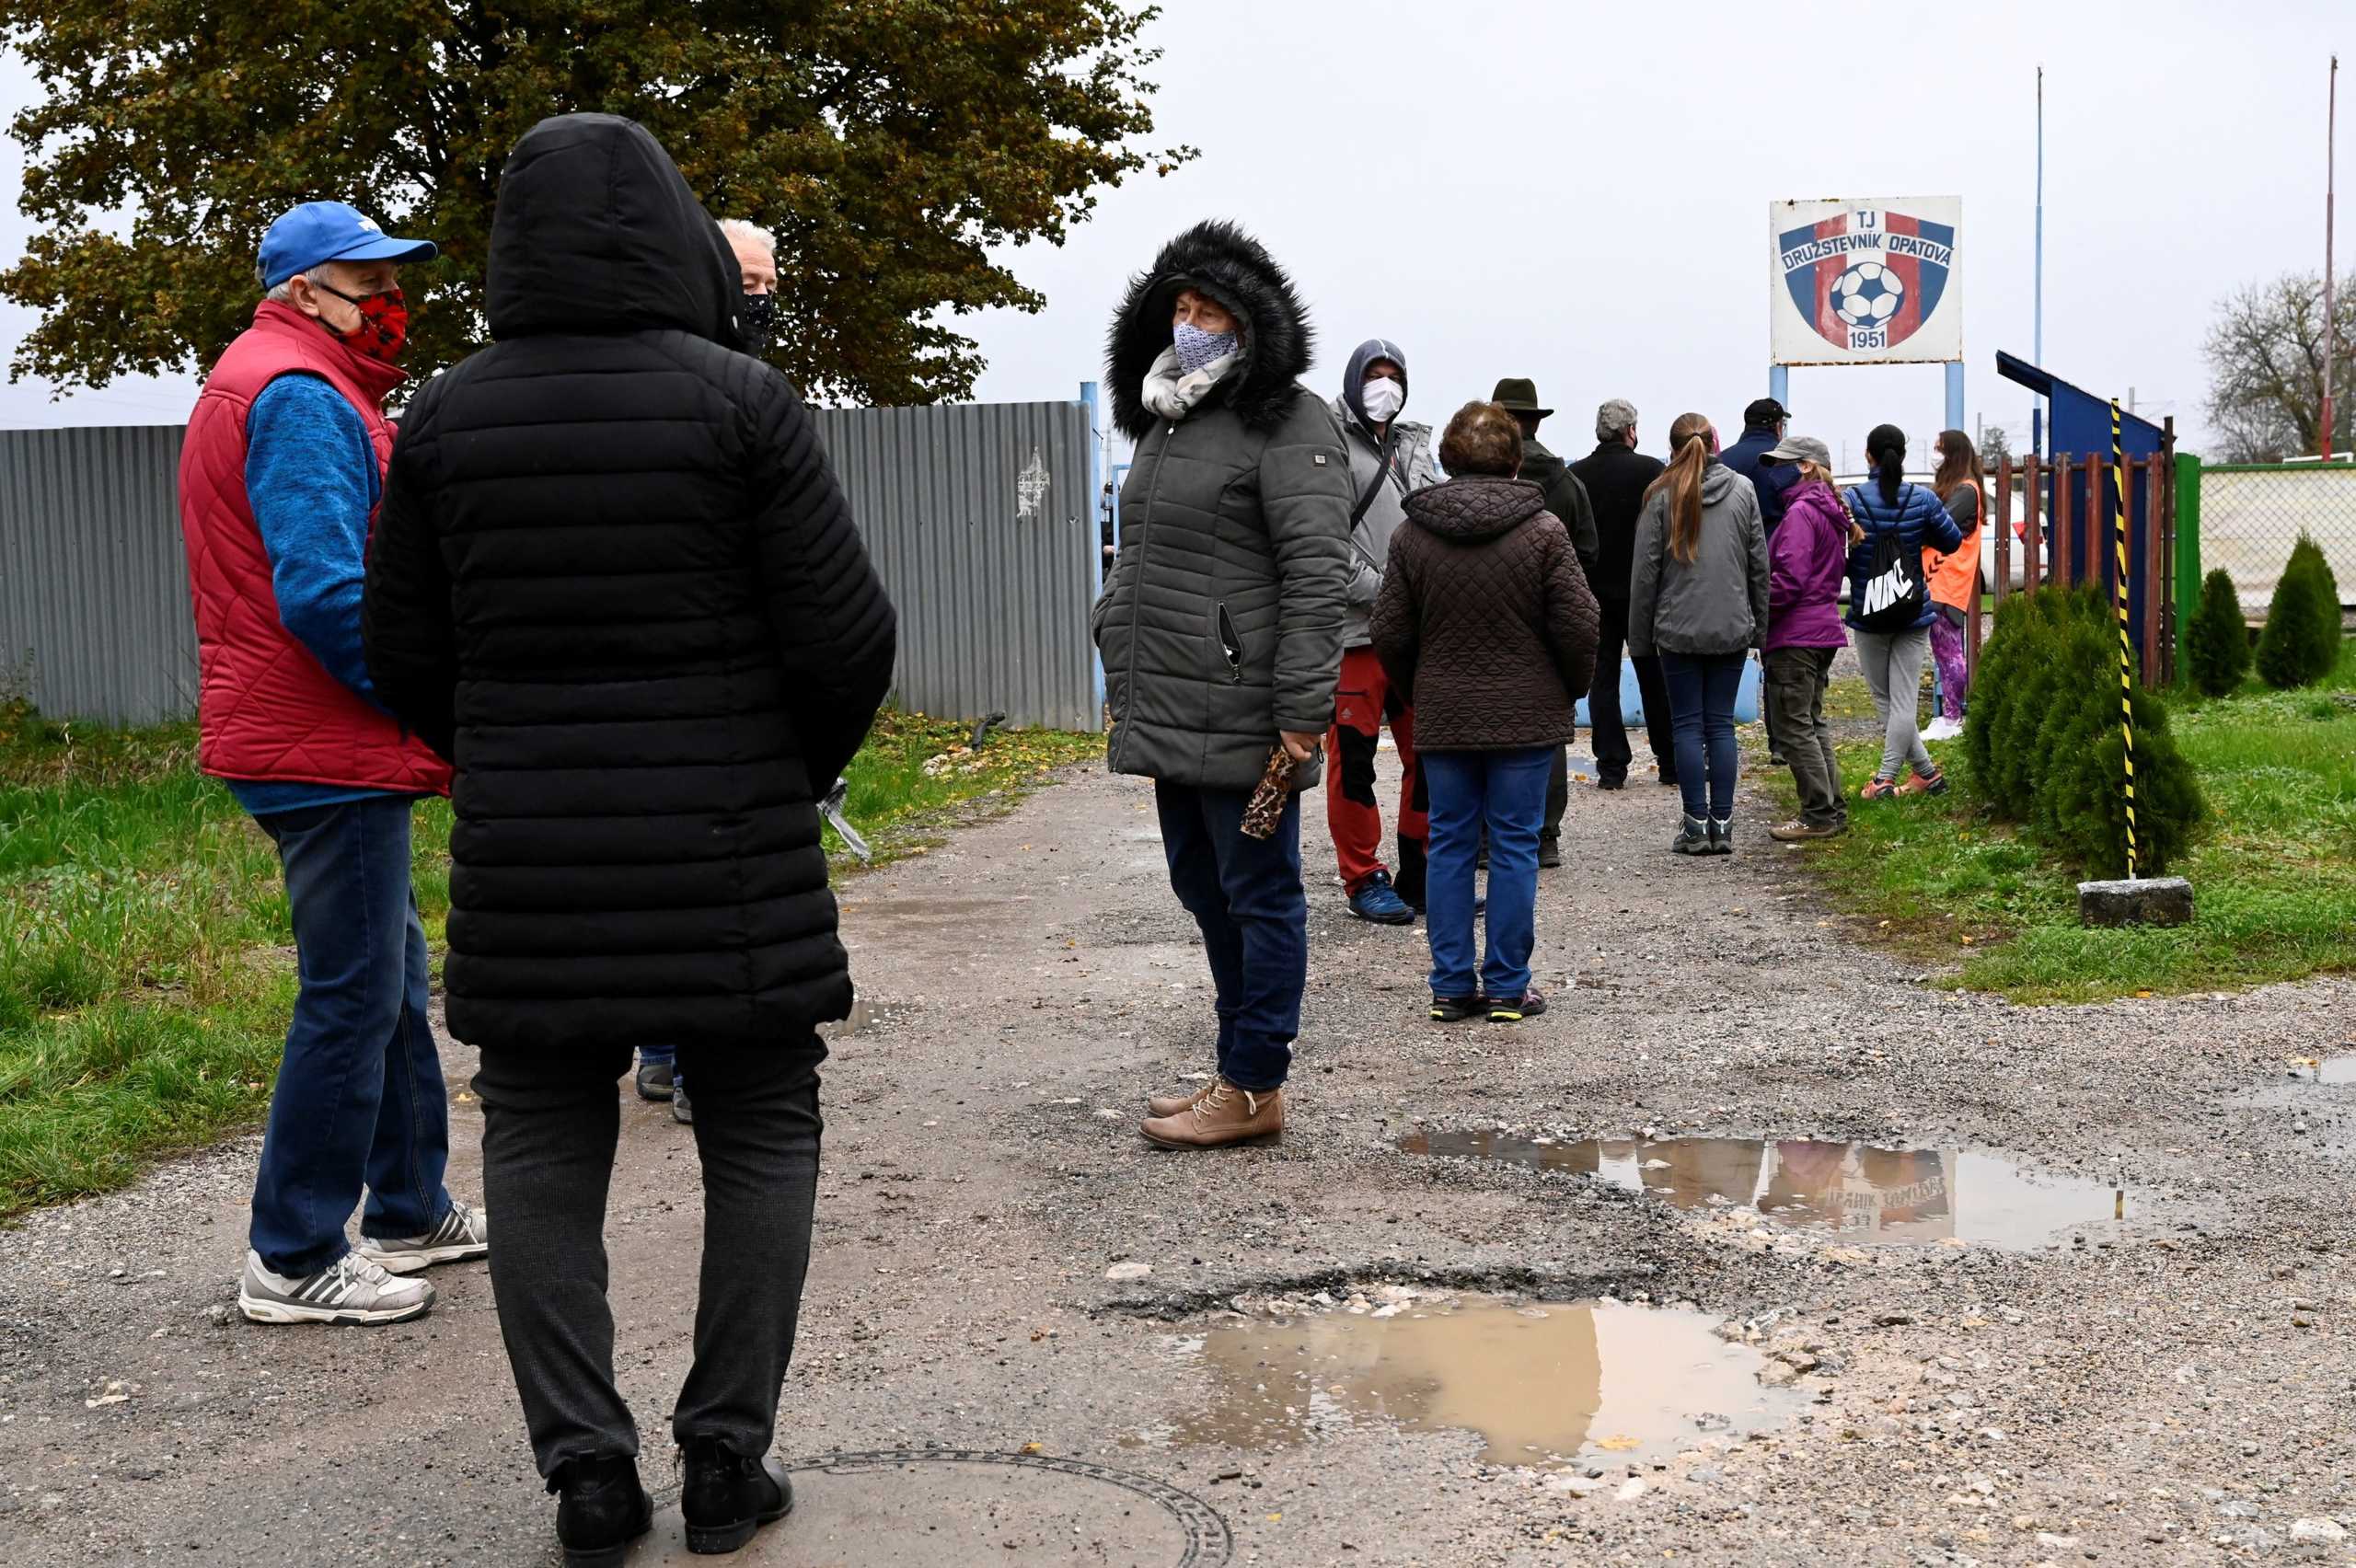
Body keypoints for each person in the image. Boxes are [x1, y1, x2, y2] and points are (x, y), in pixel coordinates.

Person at [364, 114, 896, 1563]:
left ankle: (589, 1478)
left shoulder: (447, 419)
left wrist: (497, 760)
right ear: (670, 229)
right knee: (762, 1120)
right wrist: (795, 770)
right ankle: (728, 1459)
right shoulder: (738, 402)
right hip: (732, 846)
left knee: (539, 1132)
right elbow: (849, 635)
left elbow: (398, 646)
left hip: (534, 850)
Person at [175, 201, 484, 1329]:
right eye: (371, 284)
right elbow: (325, 590)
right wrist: (433, 708)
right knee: (352, 995)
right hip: (322, 741)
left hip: (320, 735)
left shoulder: (298, 378)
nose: (392, 304)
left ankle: (408, 1204)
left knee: (392, 982)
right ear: (307, 290)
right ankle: (294, 1253)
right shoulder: (299, 395)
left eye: (397, 280)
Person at [1092, 219, 1351, 1151]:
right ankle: (1234, 1068)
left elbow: (1317, 576)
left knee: (1259, 895)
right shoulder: (1171, 417)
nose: (1191, 320)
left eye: (1210, 308)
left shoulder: (1287, 422)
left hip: (1245, 709)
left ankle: (1254, 1084)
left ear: (1254, 323)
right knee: (1201, 887)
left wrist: (1298, 714)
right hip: (1171, 698)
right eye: (1182, 305)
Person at [1371, 401, 1598, 1024]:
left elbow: (1388, 629)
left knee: (1448, 844)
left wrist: (1420, 687)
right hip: (1526, 715)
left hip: (1444, 713)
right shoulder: (1545, 531)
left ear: (1448, 456)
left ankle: (1449, 985)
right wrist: (1568, 689)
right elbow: (1580, 625)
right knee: (1515, 848)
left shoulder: (1411, 535)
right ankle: (1506, 985)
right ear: (1514, 458)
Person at [636, 215, 783, 1125]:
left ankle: (663, 1049)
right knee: (693, 879)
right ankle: (685, 1060)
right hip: (683, 677)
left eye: (770, 284)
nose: (759, 298)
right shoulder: (679, 381)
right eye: (745, 281)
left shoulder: (757, 384)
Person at [1326, 338, 1437, 924]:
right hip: (1354, 636)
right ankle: (1363, 876)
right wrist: (1391, 592)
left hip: (1414, 637)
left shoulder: (1417, 445)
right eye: (1376, 374)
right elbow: (1324, 544)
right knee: (1355, 759)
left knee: (1430, 755)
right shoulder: (1326, 446)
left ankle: (1421, 873)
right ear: (1353, 380)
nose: (1385, 385)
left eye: (1395, 374)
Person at [1628, 412, 1769, 855]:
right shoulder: (1743, 490)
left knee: (1686, 726)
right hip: (1730, 626)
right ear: (1714, 442)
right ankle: (1723, 824)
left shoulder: (1660, 496)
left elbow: (1645, 574)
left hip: (1677, 629)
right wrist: (1758, 628)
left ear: (1673, 448)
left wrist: (1639, 639)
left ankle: (1694, 824)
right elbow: (1758, 567)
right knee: (1721, 726)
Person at [1487, 378, 1596, 867]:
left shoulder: (1474, 485)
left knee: (1484, 727)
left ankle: (1488, 839)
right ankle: (1544, 835)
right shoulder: (1567, 485)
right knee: (1546, 733)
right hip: (1546, 627)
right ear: (1535, 421)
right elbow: (1589, 554)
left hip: (1482, 620)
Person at [1844, 423, 1965, 801]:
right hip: (1913, 610)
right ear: (1903, 455)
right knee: (1902, 700)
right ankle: (1927, 774)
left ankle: (1884, 778)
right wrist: (1913, 540)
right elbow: (1952, 540)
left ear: (1869, 456)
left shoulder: (1851, 500)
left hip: (1869, 611)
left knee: (1887, 699)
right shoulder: (1923, 499)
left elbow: (1839, 551)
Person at [1570, 398, 1673, 790]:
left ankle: (1611, 767)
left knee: (1603, 679)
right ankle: (1669, 762)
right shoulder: (1651, 471)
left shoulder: (1578, 475)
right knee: (1653, 675)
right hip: (1641, 593)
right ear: (1631, 430)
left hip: (1593, 593)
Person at [1760, 437, 1856, 842]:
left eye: (1784, 463)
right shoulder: (1829, 510)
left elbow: (1790, 578)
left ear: (1805, 467)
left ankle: (1818, 814)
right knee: (1811, 722)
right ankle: (1831, 808)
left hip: (1795, 633)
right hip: (1821, 629)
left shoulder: (1801, 512)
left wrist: (1757, 605)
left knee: (1793, 727)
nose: (1775, 472)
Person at [1922, 429, 1986, 742]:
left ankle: (1952, 717)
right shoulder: (1959, 488)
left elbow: (1937, 526)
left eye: (1939, 449)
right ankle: (1949, 715)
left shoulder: (1965, 491)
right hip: (1938, 582)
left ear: (1953, 454)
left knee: (1949, 653)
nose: (1935, 454)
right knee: (1943, 650)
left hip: (1945, 581)